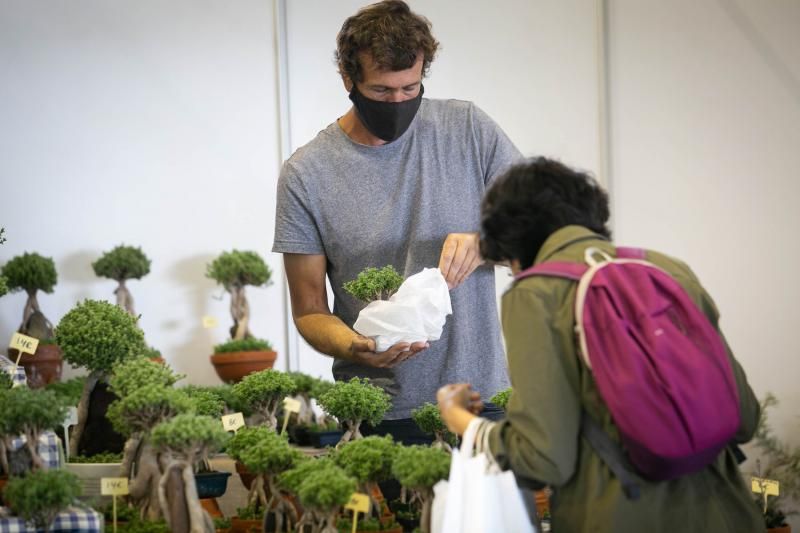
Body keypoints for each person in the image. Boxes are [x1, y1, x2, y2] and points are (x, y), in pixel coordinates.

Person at [437, 157, 765, 532]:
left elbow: (542, 458)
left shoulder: (536, 293)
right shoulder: (667, 269)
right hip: (730, 512)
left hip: (621, 516)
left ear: (512, 239)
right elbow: (746, 418)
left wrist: (460, 419)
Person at [272, 0, 522, 444]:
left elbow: (541, 226)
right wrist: (356, 347)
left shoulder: (467, 129)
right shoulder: (307, 175)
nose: (399, 102)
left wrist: (487, 242)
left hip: (484, 398)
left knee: (500, 515)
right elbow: (310, 309)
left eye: (411, 89)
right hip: (383, 410)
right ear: (348, 80)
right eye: (383, 92)